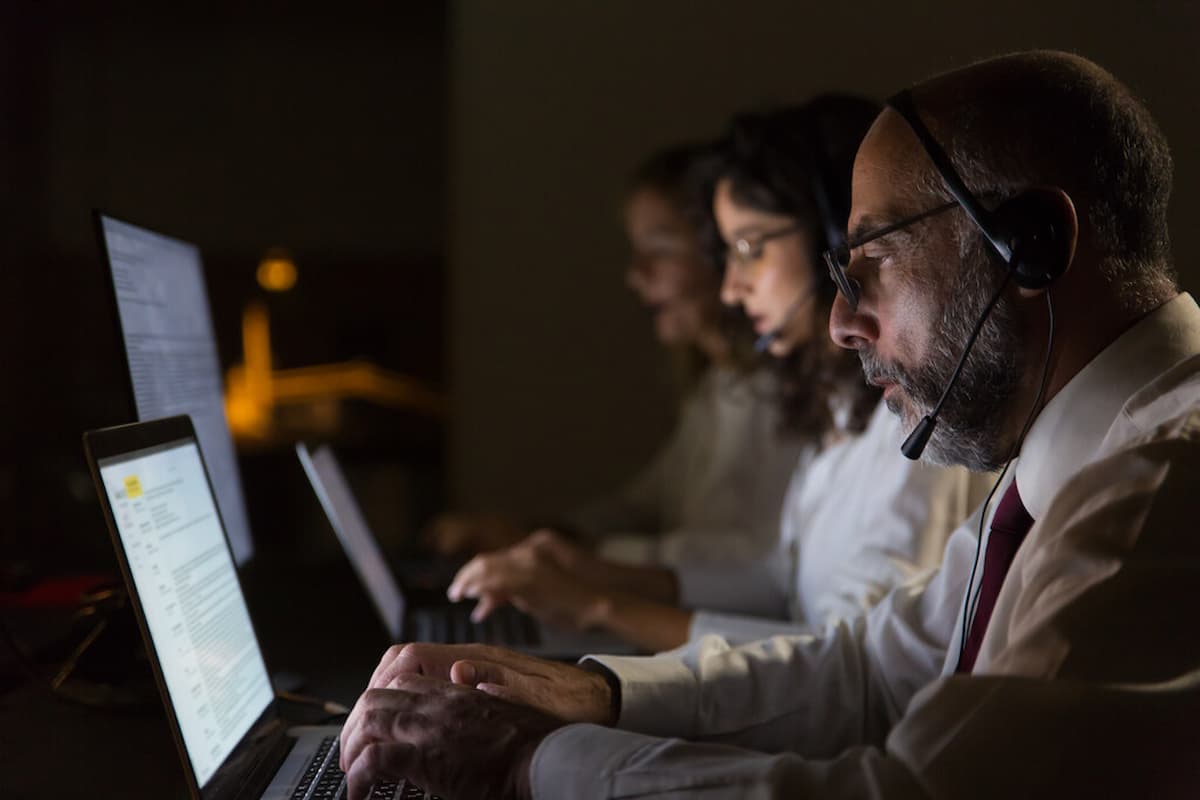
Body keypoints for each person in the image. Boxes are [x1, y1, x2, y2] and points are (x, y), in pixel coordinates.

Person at [338, 50, 1200, 799]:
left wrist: (533, 764)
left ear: (1030, 245)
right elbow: (873, 671)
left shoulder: (1159, 485)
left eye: (874, 261)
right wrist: (597, 697)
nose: (841, 321)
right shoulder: (1062, 459)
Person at [446, 98, 980, 653]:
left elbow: (848, 667)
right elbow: (777, 575)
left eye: (750, 249)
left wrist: (600, 608)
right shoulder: (840, 411)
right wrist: (592, 568)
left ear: (834, 239)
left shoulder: (919, 432)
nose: (730, 289)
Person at [427, 143, 810, 569]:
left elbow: (759, 559)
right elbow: (644, 503)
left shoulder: (781, 392)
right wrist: (538, 536)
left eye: (660, 250)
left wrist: (573, 555)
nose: (636, 275)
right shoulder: (717, 386)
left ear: (718, 251)